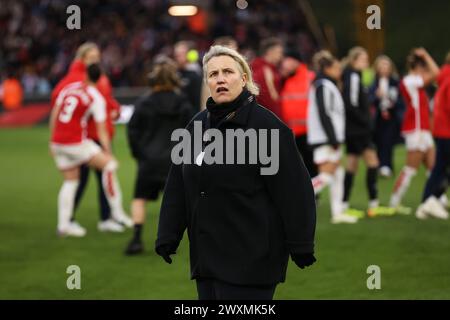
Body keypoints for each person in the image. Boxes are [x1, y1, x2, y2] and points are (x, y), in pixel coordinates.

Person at [155, 45, 316, 300]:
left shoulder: (268, 128)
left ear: (244, 79)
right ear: (207, 81)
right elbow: (178, 184)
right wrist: (168, 233)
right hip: (207, 258)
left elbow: (294, 190)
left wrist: (301, 243)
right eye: (213, 74)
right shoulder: (196, 125)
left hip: (252, 259)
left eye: (228, 72)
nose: (220, 79)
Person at [51, 42, 131, 231]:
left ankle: (92, 220)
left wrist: (115, 109)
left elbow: (105, 99)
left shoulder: (90, 77)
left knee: (78, 179)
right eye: (92, 56)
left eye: (97, 55)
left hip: (75, 138)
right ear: (82, 58)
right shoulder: (80, 79)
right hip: (85, 137)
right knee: (103, 170)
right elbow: (61, 99)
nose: (96, 59)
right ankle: (113, 215)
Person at [125, 56, 193, 255]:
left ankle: (136, 239)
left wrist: (140, 154)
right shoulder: (182, 102)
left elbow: (133, 130)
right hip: (175, 160)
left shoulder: (145, 101)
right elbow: (191, 130)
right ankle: (181, 240)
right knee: (181, 202)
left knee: (139, 199)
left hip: (150, 160)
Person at [307, 50, 357, 224]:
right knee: (327, 176)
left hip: (329, 138)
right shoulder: (323, 85)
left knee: (338, 174)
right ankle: (290, 197)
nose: (339, 70)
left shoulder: (327, 84)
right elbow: (324, 113)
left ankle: (338, 213)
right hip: (325, 138)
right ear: (327, 68)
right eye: (336, 67)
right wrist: (333, 138)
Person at [389, 48, 439, 209]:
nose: (426, 71)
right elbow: (436, 73)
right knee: (411, 169)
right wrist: (426, 55)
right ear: (418, 67)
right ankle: (394, 202)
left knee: (434, 167)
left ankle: (436, 199)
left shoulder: (414, 81)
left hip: (423, 130)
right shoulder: (410, 80)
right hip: (415, 130)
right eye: (424, 67)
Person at [341, 47, 382, 217]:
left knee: (351, 165)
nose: (367, 62)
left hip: (353, 129)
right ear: (354, 60)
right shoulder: (353, 76)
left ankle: (343, 204)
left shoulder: (352, 75)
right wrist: (366, 122)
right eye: (364, 59)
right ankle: (373, 204)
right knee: (373, 163)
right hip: (358, 130)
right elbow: (350, 104)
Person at [416, 51, 450, 220]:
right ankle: (432, 199)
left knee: (439, 169)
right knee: (440, 170)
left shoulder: (445, 74)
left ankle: (427, 202)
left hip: (441, 130)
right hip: (447, 131)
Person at [280, 51, 317, 178]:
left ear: (297, 61)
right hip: (290, 130)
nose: (286, 64)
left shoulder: (310, 77)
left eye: (289, 61)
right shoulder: (284, 79)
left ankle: (314, 193)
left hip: (308, 130)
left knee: (310, 163)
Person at [369, 55, 404, 178]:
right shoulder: (374, 83)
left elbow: (401, 100)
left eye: (386, 65)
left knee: (388, 141)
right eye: (382, 65)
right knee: (379, 141)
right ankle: (382, 165)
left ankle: (386, 166)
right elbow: (369, 100)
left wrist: (393, 102)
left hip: (392, 117)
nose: (384, 68)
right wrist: (376, 96)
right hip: (378, 118)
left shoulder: (396, 82)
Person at [251, 37, 284, 118]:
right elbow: (270, 97)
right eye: (279, 52)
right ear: (270, 52)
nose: (281, 56)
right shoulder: (264, 70)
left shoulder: (270, 69)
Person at [174, 40, 203, 114]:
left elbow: (198, 104)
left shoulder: (196, 76)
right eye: (176, 55)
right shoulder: (175, 74)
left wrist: (197, 125)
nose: (178, 57)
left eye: (181, 54)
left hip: (192, 120)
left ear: (190, 55)